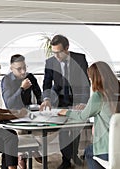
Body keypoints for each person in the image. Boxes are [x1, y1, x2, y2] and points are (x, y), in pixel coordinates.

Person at [58, 61, 120, 169]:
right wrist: (89, 106)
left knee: (88, 152)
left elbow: (81, 117)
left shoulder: (98, 95)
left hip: (107, 149)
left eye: (91, 79)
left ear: (96, 79)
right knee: (90, 150)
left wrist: (66, 112)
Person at [39, 34, 90, 169]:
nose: (56, 56)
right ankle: (66, 160)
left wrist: (84, 102)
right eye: (54, 52)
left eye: (59, 52)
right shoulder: (50, 62)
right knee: (63, 131)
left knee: (76, 130)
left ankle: (74, 154)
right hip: (60, 101)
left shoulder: (80, 59)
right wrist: (47, 98)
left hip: (77, 100)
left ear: (67, 48)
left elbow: (86, 82)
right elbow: (47, 83)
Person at [1, 54, 43, 163]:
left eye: (24, 67)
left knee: (43, 127)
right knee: (21, 130)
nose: (23, 71)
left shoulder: (30, 77)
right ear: (11, 68)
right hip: (13, 114)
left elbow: (39, 95)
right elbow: (9, 104)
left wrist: (44, 103)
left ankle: (31, 150)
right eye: (19, 69)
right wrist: (21, 88)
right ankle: (23, 156)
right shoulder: (6, 80)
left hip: (28, 112)